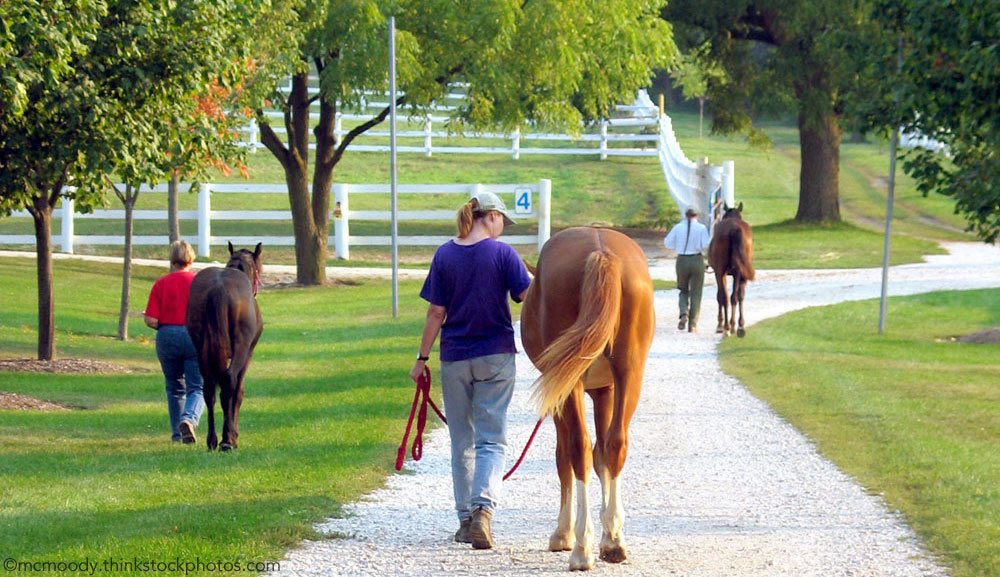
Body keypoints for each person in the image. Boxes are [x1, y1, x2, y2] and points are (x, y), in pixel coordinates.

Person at [410, 191, 532, 550]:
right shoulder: (503, 254)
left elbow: (436, 312)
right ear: (491, 216)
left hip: (454, 357)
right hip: (495, 355)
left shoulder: (444, 254)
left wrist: (421, 358)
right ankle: (483, 510)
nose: (502, 229)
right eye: (501, 222)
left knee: (461, 440)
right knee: (491, 439)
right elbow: (528, 296)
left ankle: (465, 520)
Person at [144, 240, 205, 444]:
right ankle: (189, 419)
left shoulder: (161, 284)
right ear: (191, 257)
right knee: (197, 386)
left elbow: (150, 319)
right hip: (194, 335)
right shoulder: (199, 284)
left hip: (167, 335)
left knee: (174, 387)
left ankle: (178, 435)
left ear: (172, 259)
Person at [663, 205, 711, 332]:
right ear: (697, 215)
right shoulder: (701, 228)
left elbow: (667, 243)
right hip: (696, 259)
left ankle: (684, 312)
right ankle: (693, 324)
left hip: (682, 259)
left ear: (686, 215)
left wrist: (677, 244)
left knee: (683, 289)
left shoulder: (678, 228)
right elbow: (705, 244)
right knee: (696, 293)